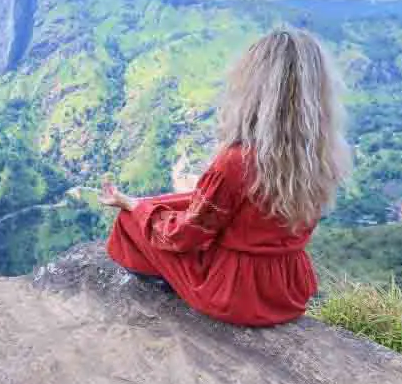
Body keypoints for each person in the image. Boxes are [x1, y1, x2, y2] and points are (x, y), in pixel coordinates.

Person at [98, 28, 351, 327]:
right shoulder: (323, 155)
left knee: (130, 223)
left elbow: (185, 234)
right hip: (287, 292)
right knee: (149, 212)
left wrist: (137, 209)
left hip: (235, 294)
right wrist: (147, 203)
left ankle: (166, 285)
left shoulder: (237, 161)